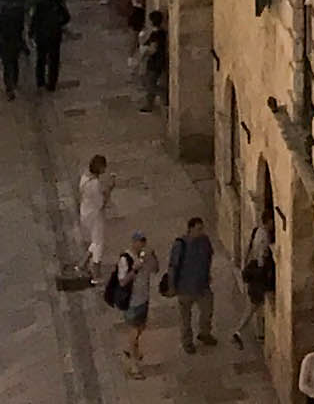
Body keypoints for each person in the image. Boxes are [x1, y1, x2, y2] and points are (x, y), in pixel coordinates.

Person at [166, 216, 217, 354]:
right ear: (190, 229)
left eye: (202, 229)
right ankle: (187, 342)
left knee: (207, 310)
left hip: (202, 285)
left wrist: (207, 273)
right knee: (185, 318)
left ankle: (204, 333)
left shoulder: (204, 241)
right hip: (185, 287)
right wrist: (172, 286)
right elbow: (173, 267)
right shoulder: (180, 244)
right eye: (198, 229)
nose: (201, 232)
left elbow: (209, 256)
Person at [115, 236, 158, 378]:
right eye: (139, 242)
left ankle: (131, 349)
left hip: (144, 299)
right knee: (134, 331)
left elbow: (155, 270)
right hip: (131, 302)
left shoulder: (145, 257)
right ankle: (134, 367)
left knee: (141, 327)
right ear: (133, 243)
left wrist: (152, 257)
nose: (141, 245)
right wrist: (134, 269)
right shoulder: (125, 259)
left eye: (143, 243)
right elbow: (122, 282)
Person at [75, 151, 114, 280]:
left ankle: (82, 263)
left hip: (85, 211)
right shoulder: (94, 184)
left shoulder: (85, 177)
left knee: (94, 240)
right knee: (99, 243)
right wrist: (109, 189)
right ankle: (96, 275)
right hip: (94, 215)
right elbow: (101, 203)